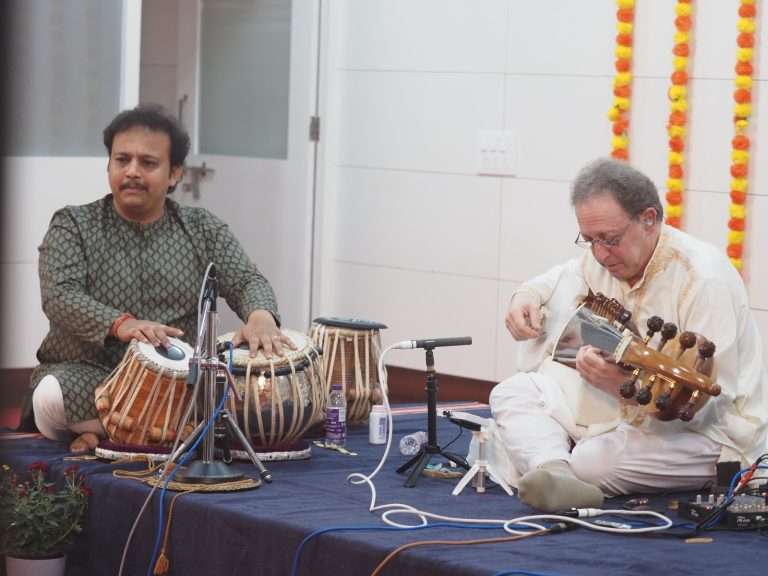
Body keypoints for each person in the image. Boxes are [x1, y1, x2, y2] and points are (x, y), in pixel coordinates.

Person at [488, 157, 767, 512]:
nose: (601, 254)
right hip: (620, 416)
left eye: (609, 239)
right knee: (512, 391)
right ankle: (555, 472)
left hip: (706, 434)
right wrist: (525, 296)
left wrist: (627, 389)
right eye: (589, 240)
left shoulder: (703, 281)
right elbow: (562, 275)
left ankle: (553, 460)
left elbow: (714, 403)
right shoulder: (602, 258)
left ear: (648, 220)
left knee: (593, 462)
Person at [25, 104, 294, 452]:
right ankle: (169, 433)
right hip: (90, 374)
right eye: (122, 160)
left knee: (256, 394)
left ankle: (117, 433)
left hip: (176, 385)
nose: (132, 172)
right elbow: (60, 296)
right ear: (109, 165)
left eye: (148, 163)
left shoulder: (202, 228)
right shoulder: (74, 225)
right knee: (51, 395)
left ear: (174, 174)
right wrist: (122, 324)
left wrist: (261, 316)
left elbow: (245, 279)